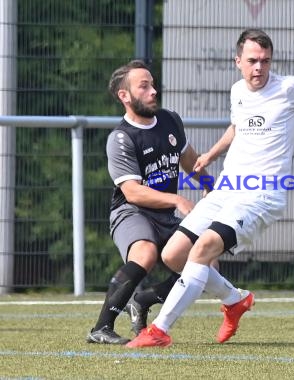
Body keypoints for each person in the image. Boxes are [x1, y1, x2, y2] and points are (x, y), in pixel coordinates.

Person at [126, 28, 294, 348]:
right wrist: (212, 153)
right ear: (238, 61)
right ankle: (235, 300)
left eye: (265, 61)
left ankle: (159, 331)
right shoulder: (237, 90)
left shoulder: (290, 88)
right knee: (173, 254)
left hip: (262, 195)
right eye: (252, 61)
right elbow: (238, 126)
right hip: (227, 188)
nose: (259, 68)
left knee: (204, 248)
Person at [86, 60, 210, 344]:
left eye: (153, 84)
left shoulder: (170, 120)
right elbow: (132, 192)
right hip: (131, 212)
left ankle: (143, 300)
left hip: (165, 214)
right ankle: (101, 327)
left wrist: (212, 189)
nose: (153, 91)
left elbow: (189, 160)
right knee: (145, 252)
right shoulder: (120, 138)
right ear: (124, 96)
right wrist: (177, 198)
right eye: (144, 86)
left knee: (206, 264)